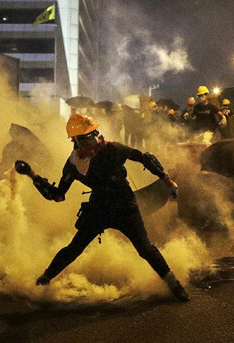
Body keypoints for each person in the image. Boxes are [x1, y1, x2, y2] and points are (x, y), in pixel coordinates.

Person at [20, 113, 190, 302]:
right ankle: (44, 280)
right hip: (99, 209)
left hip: (125, 206)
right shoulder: (74, 164)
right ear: (76, 141)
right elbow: (58, 196)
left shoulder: (113, 149)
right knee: (74, 248)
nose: (95, 140)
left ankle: (174, 284)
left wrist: (167, 180)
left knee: (145, 249)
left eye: (95, 134)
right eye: (88, 137)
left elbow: (144, 157)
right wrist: (32, 175)